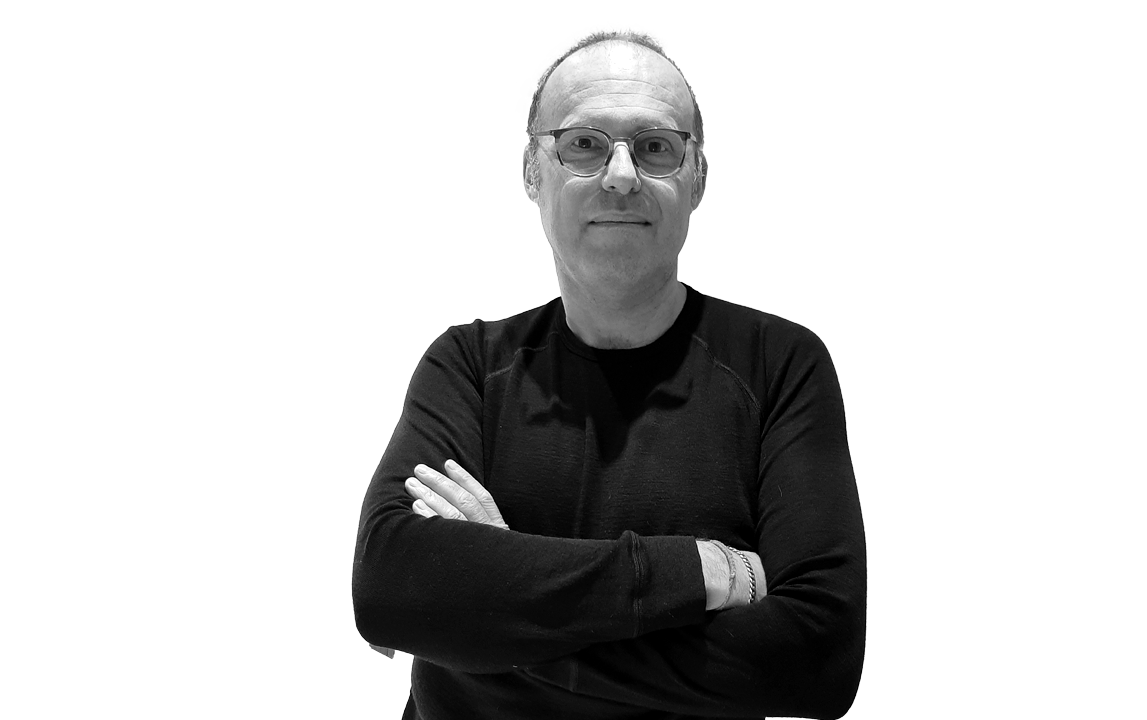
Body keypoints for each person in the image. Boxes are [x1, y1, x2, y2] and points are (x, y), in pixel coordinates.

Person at [353, 29, 866, 720]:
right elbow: (389, 590)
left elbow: (818, 661)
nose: (621, 174)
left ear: (697, 178)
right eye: (584, 143)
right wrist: (697, 571)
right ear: (533, 173)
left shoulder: (779, 366)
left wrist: (498, 616)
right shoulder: (468, 365)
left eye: (655, 146)